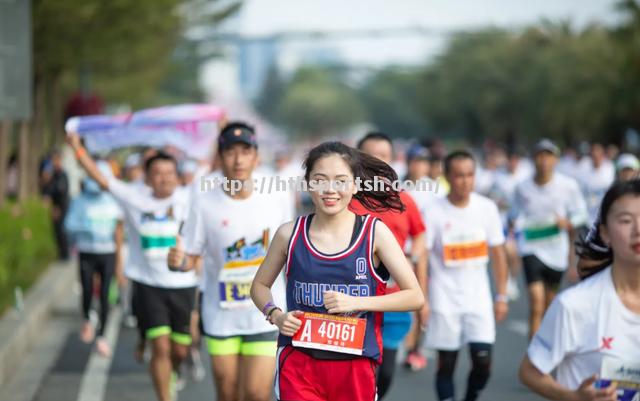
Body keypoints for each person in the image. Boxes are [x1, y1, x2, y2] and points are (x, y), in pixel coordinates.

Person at [250, 141, 424, 401]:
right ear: (308, 184)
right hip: (299, 363)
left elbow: (414, 296)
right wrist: (275, 315)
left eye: (341, 181)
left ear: (355, 185)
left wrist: (357, 302)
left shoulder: (374, 233)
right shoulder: (289, 234)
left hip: (355, 366)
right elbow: (259, 286)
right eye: (320, 180)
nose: (330, 190)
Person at [168, 121, 294, 401]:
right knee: (227, 391)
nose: (238, 160)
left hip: (266, 312)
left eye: (245, 151)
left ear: (256, 156)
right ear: (219, 157)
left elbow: (291, 247)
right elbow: (190, 257)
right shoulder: (203, 201)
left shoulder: (277, 195)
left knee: (257, 394)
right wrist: (177, 261)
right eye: (230, 152)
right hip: (221, 314)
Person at [66, 132, 196, 401]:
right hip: (148, 284)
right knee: (160, 346)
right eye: (158, 173)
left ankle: (172, 368)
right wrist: (78, 149)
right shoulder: (134, 197)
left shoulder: (190, 196)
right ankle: (164, 396)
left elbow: (221, 169)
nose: (165, 178)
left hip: (184, 284)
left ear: (178, 175)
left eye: (170, 172)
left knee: (179, 351)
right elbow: (102, 179)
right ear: (147, 178)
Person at [519, 179, 640, 401]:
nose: (638, 230)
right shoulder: (575, 304)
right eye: (626, 220)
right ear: (605, 233)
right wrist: (574, 397)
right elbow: (529, 372)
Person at [423, 150, 509, 401]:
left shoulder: (487, 208)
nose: (465, 181)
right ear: (448, 177)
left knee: (483, 362)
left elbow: (499, 253)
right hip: (444, 298)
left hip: (478, 299)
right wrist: (423, 299)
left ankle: (471, 397)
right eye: (459, 175)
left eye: (470, 175)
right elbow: (423, 257)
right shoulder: (433, 211)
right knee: (447, 364)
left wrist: (501, 295)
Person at [350, 132, 428, 395]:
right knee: (355, 374)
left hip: (394, 300)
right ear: (356, 160)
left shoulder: (403, 200)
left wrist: (411, 260)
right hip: (354, 302)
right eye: (370, 155)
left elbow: (420, 235)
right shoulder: (346, 200)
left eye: (383, 156)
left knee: (385, 373)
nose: (377, 161)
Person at [510, 139, 588, 339]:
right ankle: (533, 358)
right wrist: (514, 226)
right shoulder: (522, 187)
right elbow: (513, 215)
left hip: (556, 251)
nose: (544, 160)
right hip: (531, 248)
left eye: (548, 156)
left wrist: (568, 223)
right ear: (534, 159)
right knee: (536, 302)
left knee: (549, 306)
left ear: (555, 160)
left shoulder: (568, 185)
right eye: (540, 155)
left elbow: (581, 214)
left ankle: (544, 347)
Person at [64, 161, 124, 357]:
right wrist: (88, 228)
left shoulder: (114, 199)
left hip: (107, 253)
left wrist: (120, 256)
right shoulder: (80, 201)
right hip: (87, 252)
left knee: (106, 294)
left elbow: (120, 227)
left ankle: (103, 337)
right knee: (87, 289)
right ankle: (88, 318)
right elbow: (69, 225)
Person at [44, 150, 71, 261]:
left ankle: (65, 254)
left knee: (61, 229)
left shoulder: (62, 174)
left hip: (62, 205)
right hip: (56, 205)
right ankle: (61, 253)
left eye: (56, 160)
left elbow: (60, 189)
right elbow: (48, 189)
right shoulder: (54, 174)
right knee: (56, 229)